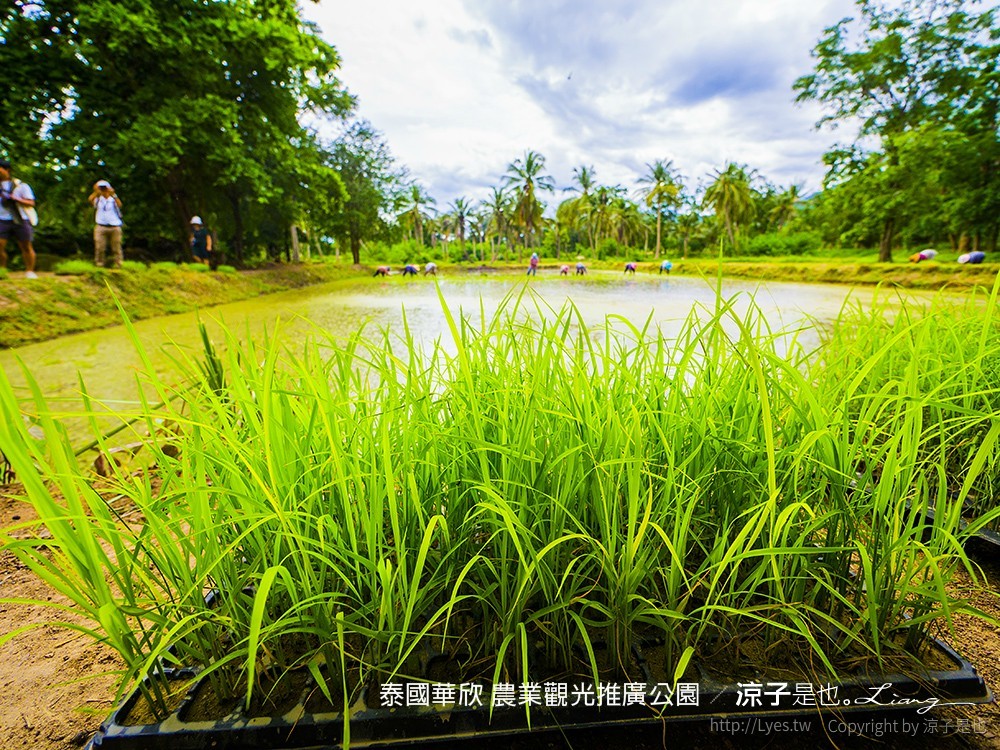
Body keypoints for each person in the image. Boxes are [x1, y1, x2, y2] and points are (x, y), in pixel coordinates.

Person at [0, 159, 38, 279]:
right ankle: (2, 271)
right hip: (2, 219)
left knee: (26, 246)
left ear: (7, 170)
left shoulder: (21, 185)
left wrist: (15, 199)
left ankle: (30, 271)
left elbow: (31, 202)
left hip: (21, 219)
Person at [89, 180, 124, 268]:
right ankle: (99, 264)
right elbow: (90, 200)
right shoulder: (98, 199)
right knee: (100, 247)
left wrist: (113, 194)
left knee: (116, 247)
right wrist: (96, 192)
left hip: (114, 226)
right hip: (101, 226)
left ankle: (118, 264)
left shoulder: (113, 199)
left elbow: (120, 205)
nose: (103, 189)